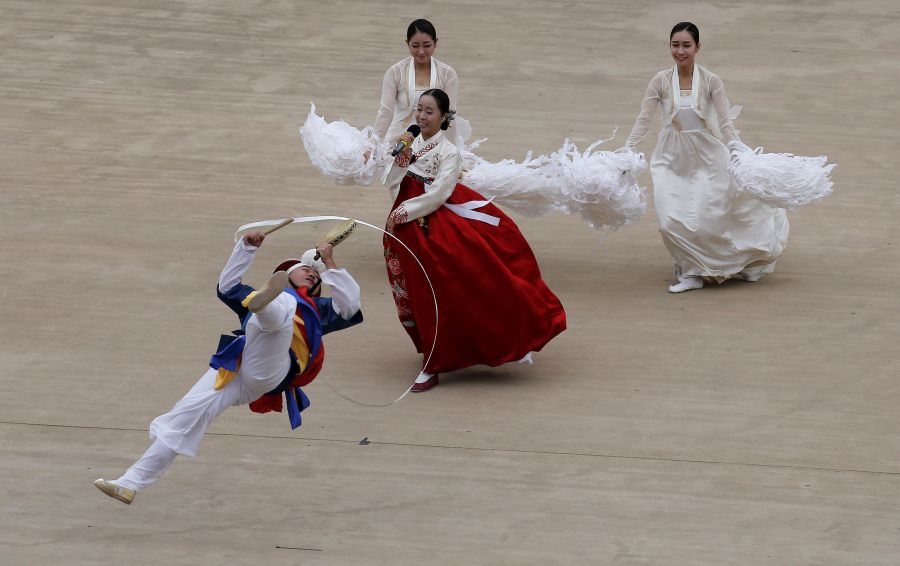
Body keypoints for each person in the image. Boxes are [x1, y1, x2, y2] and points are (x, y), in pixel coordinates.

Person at [93, 232, 363, 504]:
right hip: (232, 369)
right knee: (183, 418)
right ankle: (130, 483)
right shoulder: (258, 299)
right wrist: (245, 248)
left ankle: (268, 307)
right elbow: (228, 285)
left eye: (316, 277)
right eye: (305, 270)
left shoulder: (321, 309)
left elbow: (349, 305)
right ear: (284, 274)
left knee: (281, 310)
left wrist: (329, 262)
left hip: (270, 370)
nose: (312, 275)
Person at [383, 88, 566, 392]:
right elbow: (392, 182)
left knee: (439, 289)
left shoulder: (449, 152)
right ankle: (432, 347)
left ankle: (435, 361)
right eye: (420, 110)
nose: (422, 116)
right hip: (405, 221)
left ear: (443, 117)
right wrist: (400, 162)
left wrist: (405, 211)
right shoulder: (411, 143)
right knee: (413, 289)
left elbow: (440, 193)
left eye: (430, 111)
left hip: (431, 224)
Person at [624, 22, 789, 293]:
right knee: (669, 220)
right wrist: (629, 146)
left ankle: (696, 271)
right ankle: (690, 270)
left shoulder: (711, 80)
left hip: (707, 155)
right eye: (675, 45)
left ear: (697, 48)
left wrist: (736, 148)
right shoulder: (661, 80)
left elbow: (725, 122)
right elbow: (644, 118)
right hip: (671, 157)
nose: (680, 50)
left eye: (686, 45)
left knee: (709, 215)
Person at [373, 19, 459, 146]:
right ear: (407, 44)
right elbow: (385, 112)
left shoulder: (448, 74)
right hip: (399, 138)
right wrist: (372, 146)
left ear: (435, 43)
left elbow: (449, 115)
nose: (421, 51)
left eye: (427, 45)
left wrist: (452, 149)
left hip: (435, 139)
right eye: (415, 46)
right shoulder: (395, 73)